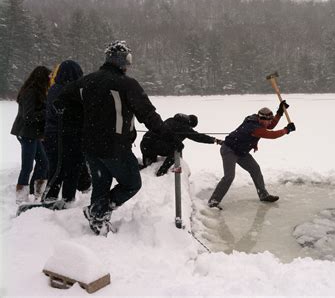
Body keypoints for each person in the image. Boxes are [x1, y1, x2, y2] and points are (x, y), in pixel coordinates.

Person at [57, 40, 170, 235]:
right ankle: (98, 211)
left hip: (90, 146)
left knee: (101, 184)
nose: (129, 65)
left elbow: (60, 101)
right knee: (132, 184)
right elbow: (147, 114)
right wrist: (167, 134)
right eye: (128, 60)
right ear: (120, 61)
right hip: (114, 147)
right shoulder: (126, 84)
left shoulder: (87, 81)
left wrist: (81, 120)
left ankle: (98, 224)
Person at [208, 101, 296, 209]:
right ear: (261, 119)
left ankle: (263, 195)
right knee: (229, 176)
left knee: (255, 169)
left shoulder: (259, 121)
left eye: (270, 120)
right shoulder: (254, 126)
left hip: (241, 152)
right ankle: (213, 201)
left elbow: (270, 125)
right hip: (229, 150)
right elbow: (271, 134)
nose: (269, 123)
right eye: (267, 121)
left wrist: (280, 112)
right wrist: (286, 130)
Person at [43, 60, 85, 207]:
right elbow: (75, 115)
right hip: (66, 136)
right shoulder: (69, 91)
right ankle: (65, 199)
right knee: (71, 168)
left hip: (53, 135)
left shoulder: (54, 89)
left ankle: (52, 197)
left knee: (57, 168)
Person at [11, 66, 51, 204]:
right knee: (27, 166)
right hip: (26, 133)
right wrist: (47, 112)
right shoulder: (30, 92)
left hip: (32, 134)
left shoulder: (38, 91)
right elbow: (28, 116)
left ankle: (36, 194)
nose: (50, 80)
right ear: (42, 78)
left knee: (43, 162)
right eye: (48, 77)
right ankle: (21, 198)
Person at [140, 113, 223, 176]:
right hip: (154, 145)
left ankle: (145, 166)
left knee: (148, 167)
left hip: (145, 144)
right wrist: (214, 140)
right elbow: (198, 137)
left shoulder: (171, 120)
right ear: (190, 124)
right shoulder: (184, 127)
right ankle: (162, 171)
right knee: (178, 147)